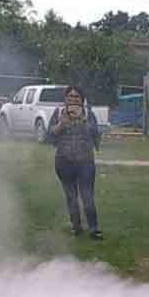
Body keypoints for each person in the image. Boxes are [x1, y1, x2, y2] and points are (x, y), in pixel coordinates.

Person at [47, 85, 102, 239]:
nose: (73, 99)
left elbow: (97, 135)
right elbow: (49, 137)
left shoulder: (88, 113)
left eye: (77, 96)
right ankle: (76, 226)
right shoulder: (59, 113)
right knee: (71, 196)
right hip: (64, 162)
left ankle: (93, 228)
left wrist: (84, 122)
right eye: (70, 96)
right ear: (65, 98)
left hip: (85, 162)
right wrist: (61, 125)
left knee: (87, 197)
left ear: (82, 99)